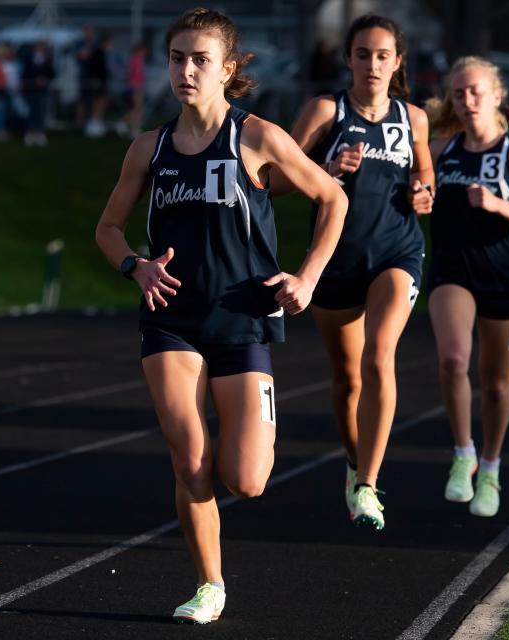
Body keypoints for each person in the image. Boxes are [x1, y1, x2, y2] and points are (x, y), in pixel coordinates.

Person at [94, 8, 347, 625]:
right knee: (188, 456)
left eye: (200, 59)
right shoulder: (148, 148)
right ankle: (210, 584)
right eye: (177, 57)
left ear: (227, 69)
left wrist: (308, 277)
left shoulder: (257, 137)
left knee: (247, 479)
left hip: (243, 319)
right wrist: (135, 266)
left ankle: (253, 447)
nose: (186, 70)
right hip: (171, 320)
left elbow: (331, 196)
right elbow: (106, 228)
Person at [279, 14, 433, 531]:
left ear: (397, 62)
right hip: (336, 260)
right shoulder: (326, 111)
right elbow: (276, 179)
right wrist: (325, 171)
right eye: (363, 54)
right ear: (348, 59)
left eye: (382, 55)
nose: (372, 64)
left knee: (378, 353)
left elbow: (425, 174)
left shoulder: (414, 118)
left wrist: (424, 193)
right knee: (346, 381)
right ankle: (353, 464)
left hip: (397, 252)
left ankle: (369, 484)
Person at [423, 56, 509, 517]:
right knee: (453, 359)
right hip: (451, 272)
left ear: (497, 95)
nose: (466, 100)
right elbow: (410, 194)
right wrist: (418, 196)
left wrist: (503, 207)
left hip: (503, 279)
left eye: (475, 90)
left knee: (496, 384)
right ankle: (464, 455)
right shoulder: (441, 151)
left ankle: (492, 465)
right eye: (458, 93)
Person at [22, 40, 55, 147]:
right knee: (32, 112)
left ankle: (40, 134)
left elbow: (52, 73)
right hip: (31, 89)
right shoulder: (28, 59)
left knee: (41, 112)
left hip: (42, 91)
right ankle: (30, 134)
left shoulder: (47, 60)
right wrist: (34, 80)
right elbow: (25, 74)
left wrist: (45, 79)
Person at [116, 42, 148, 138]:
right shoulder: (136, 59)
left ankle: (131, 126)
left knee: (138, 108)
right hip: (135, 86)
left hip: (137, 85)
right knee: (137, 108)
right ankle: (129, 126)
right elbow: (132, 73)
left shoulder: (137, 59)